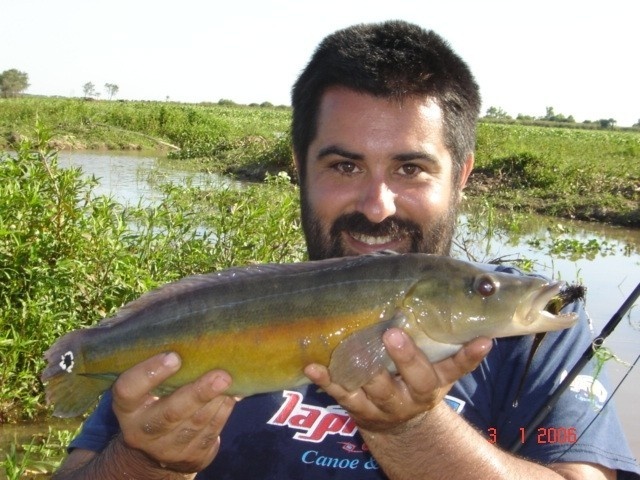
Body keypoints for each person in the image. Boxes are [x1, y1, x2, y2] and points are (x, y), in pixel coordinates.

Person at [53, 20, 640, 479]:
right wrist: (147, 462)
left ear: (460, 177)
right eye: (344, 164)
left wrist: (413, 431)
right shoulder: (212, 314)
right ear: (299, 169)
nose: (377, 203)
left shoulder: (535, 337)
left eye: (410, 167)